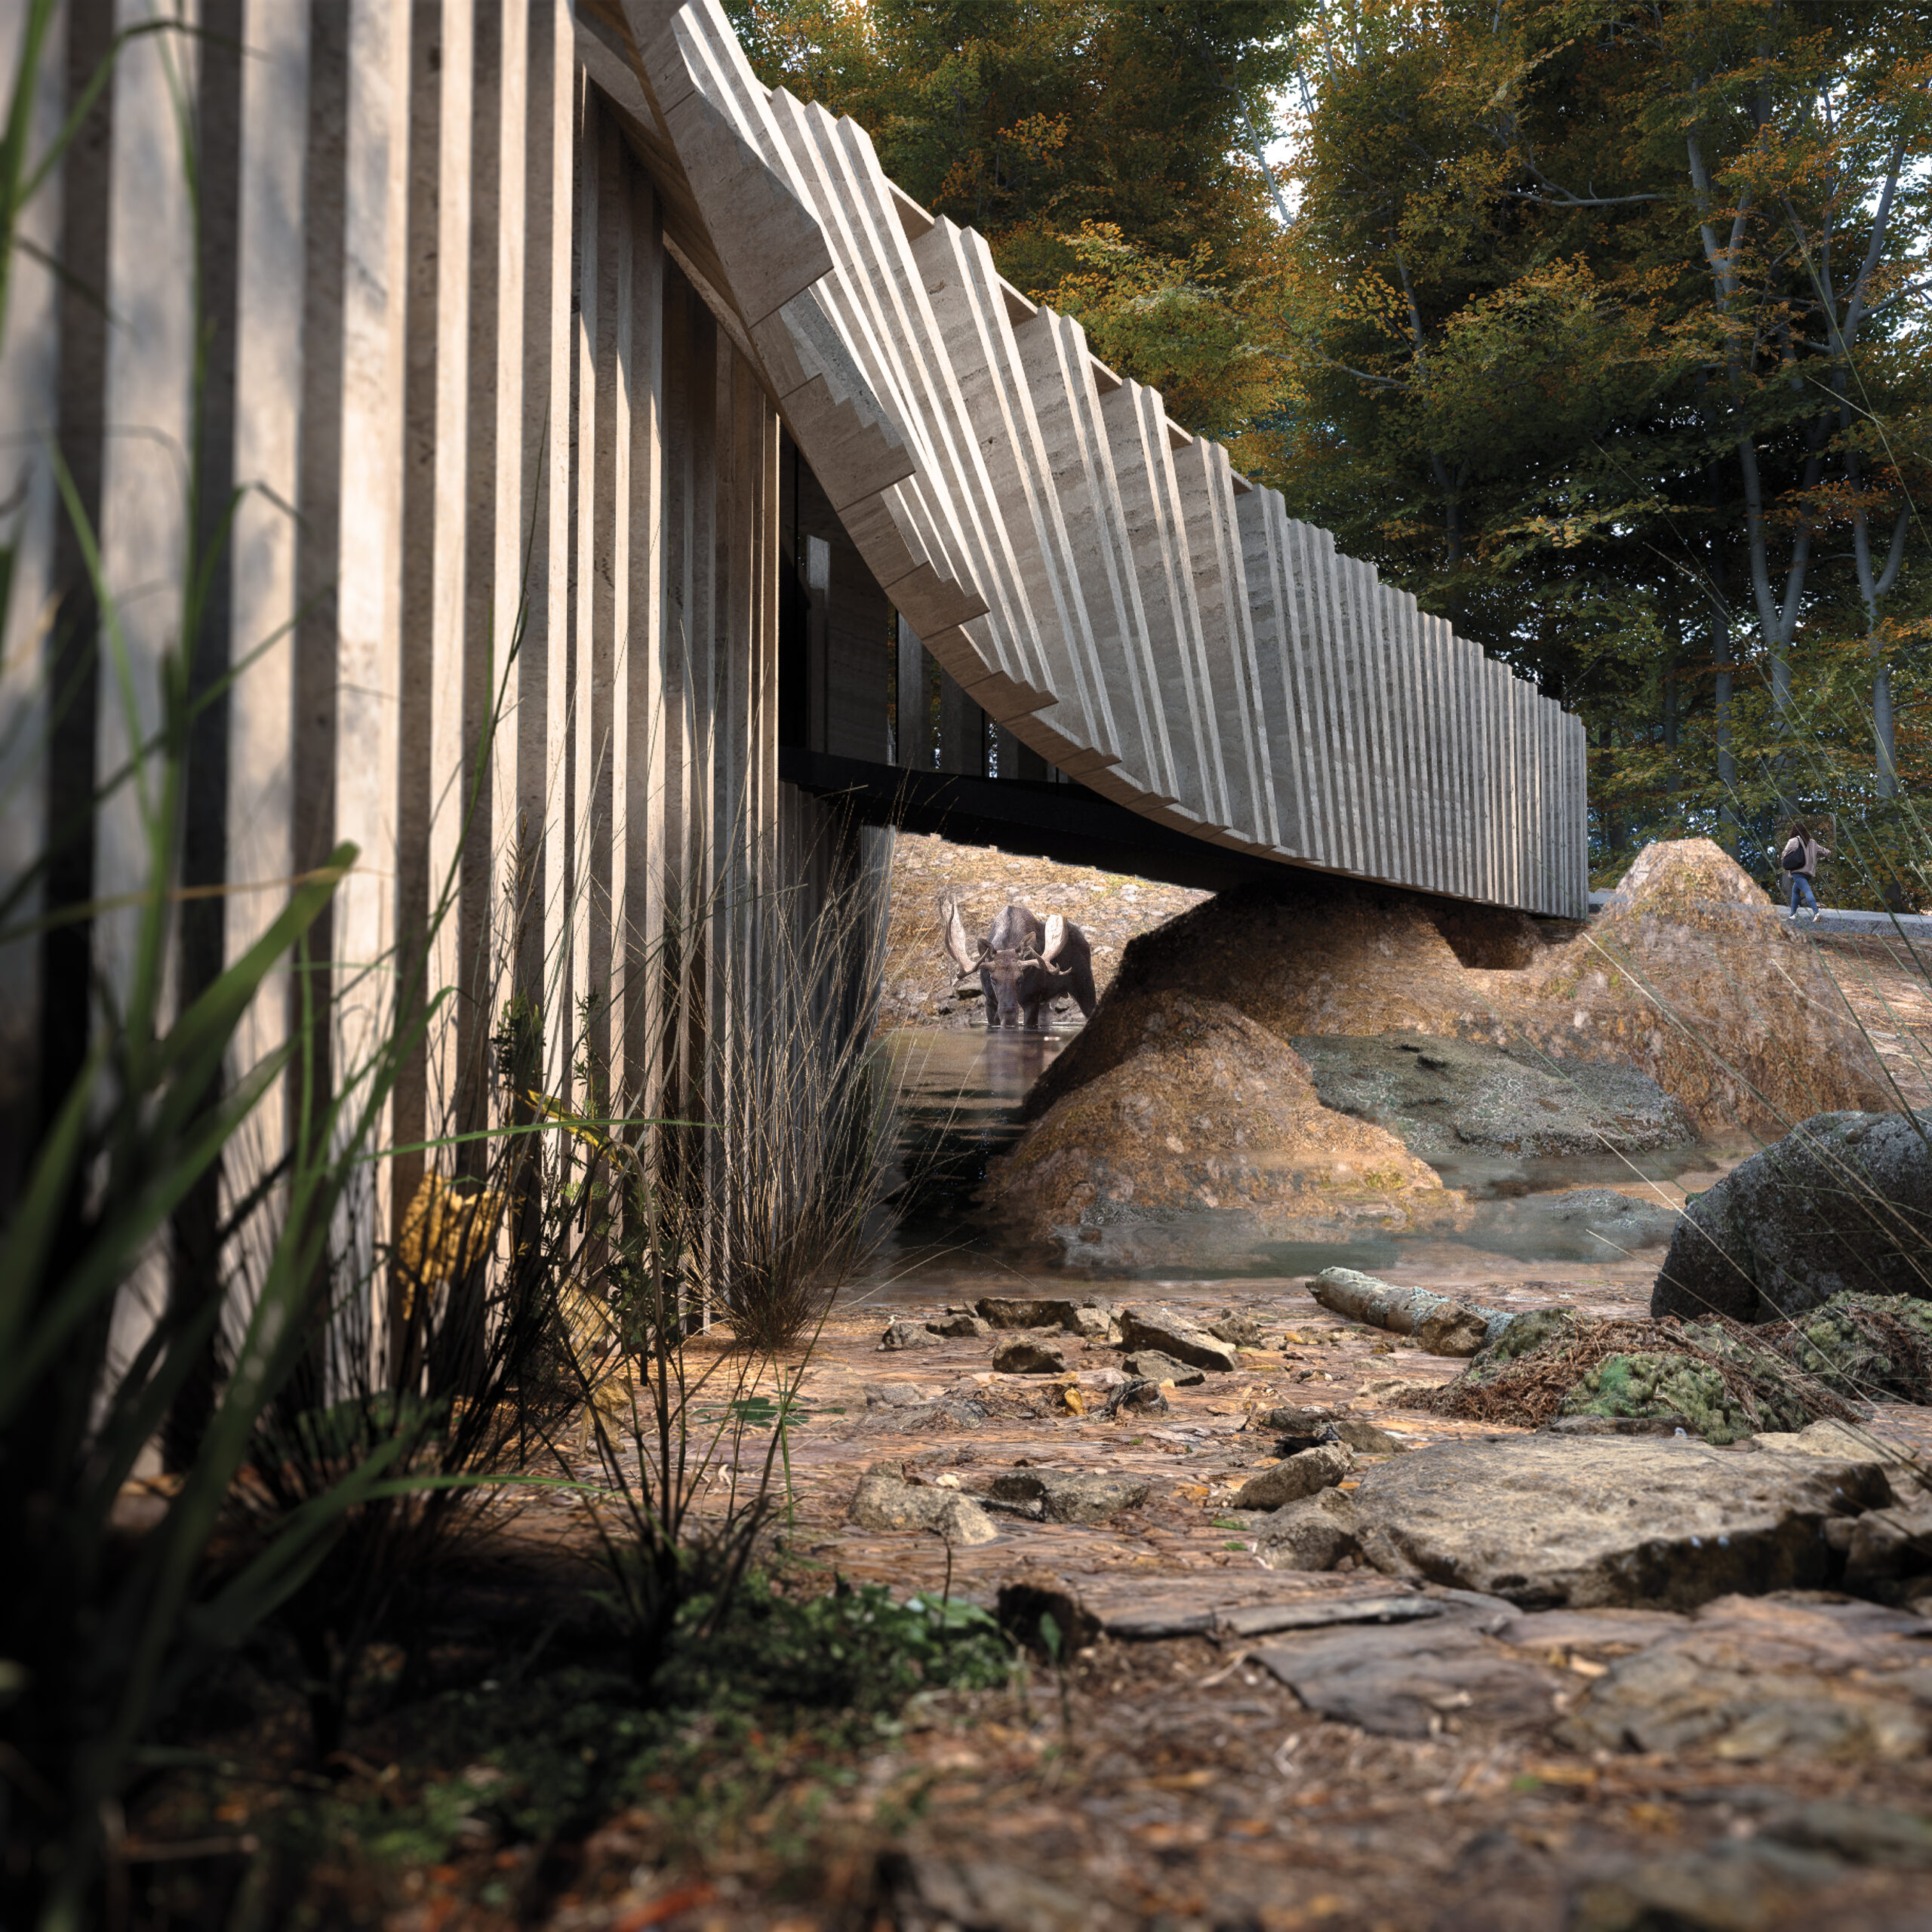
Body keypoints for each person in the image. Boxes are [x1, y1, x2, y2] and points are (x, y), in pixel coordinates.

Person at [1779, 819, 1831, 921]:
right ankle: (1792, 915)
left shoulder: (1793, 841)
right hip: (1809, 873)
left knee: (1807, 891)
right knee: (1795, 891)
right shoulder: (1813, 842)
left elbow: (1784, 854)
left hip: (1798, 871)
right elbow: (1826, 852)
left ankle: (1816, 913)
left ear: (1794, 831)